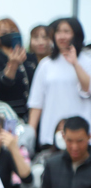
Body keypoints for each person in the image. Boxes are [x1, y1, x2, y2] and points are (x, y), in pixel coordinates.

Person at [28, 18, 91, 149]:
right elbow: (36, 103)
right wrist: (31, 132)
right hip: (51, 135)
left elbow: (88, 88)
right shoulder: (46, 64)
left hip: (81, 135)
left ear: (76, 34)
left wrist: (75, 64)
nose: (62, 36)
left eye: (67, 31)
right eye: (58, 32)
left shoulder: (87, 61)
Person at [0, 19, 38, 122]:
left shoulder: (30, 58)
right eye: (4, 33)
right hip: (7, 114)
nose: (9, 35)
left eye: (13, 31)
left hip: (31, 113)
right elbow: (2, 84)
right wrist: (13, 65)